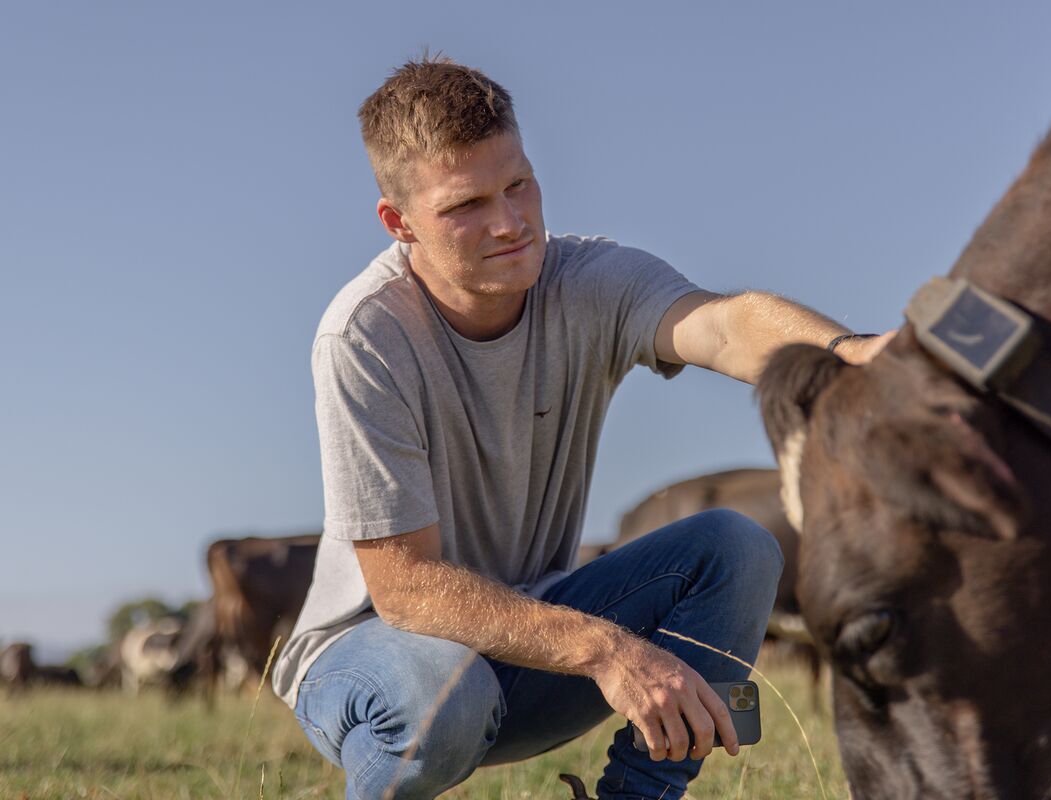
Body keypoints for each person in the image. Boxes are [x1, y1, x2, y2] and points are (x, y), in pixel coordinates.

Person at [271, 56, 888, 800]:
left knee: (736, 548)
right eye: (465, 205)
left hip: (529, 656)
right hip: (376, 667)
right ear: (399, 223)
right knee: (441, 693)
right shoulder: (364, 335)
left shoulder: (590, 281)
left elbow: (723, 328)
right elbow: (405, 589)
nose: (509, 223)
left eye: (519, 184)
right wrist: (604, 648)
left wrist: (850, 355)